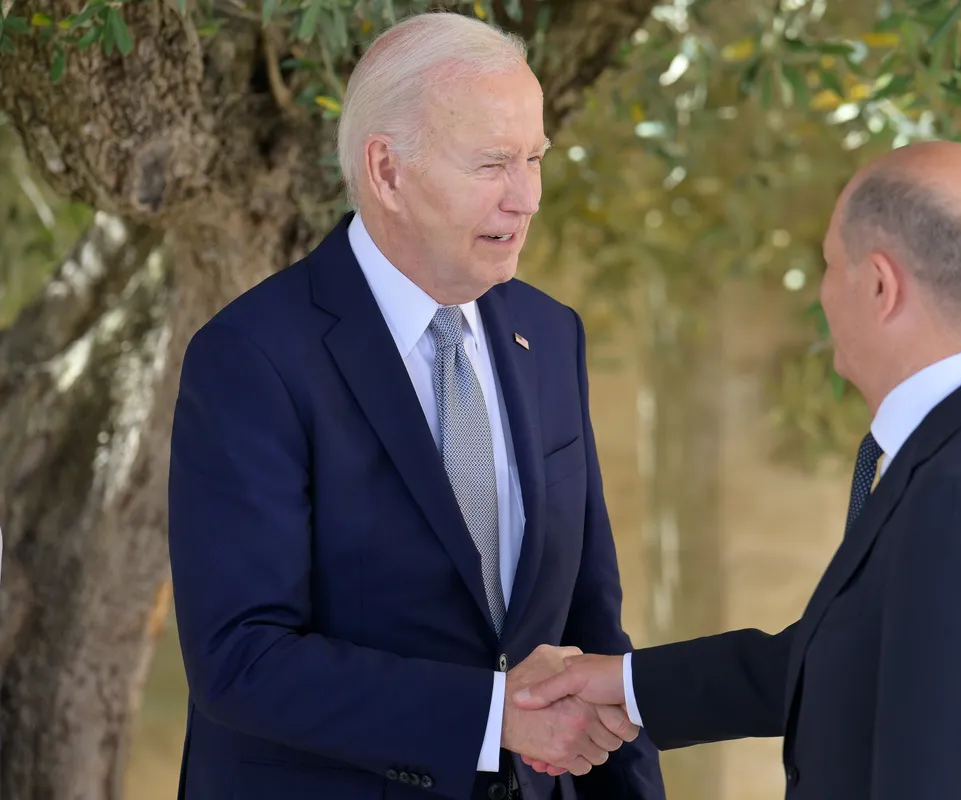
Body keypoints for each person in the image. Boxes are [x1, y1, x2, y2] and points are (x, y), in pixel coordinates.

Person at [514, 140, 961, 799]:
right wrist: (626, 686)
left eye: (828, 265)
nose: (823, 292)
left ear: (878, 286)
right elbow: (856, 663)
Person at [166, 11, 664, 800]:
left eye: (535, 159)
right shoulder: (251, 357)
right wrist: (494, 716)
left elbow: (589, 630)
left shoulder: (550, 334)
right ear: (387, 171)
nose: (527, 197)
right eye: (493, 164)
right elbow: (241, 657)